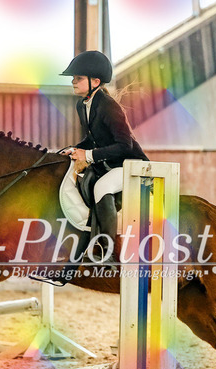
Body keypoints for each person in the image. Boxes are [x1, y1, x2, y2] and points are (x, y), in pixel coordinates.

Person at [60, 50, 148, 262]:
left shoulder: (108, 105)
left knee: (102, 187)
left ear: (95, 81)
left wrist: (88, 155)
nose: (73, 81)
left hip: (130, 165)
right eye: (74, 78)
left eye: (78, 78)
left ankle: (107, 251)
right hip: (110, 164)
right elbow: (92, 139)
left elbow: (125, 145)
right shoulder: (82, 105)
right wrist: (74, 149)